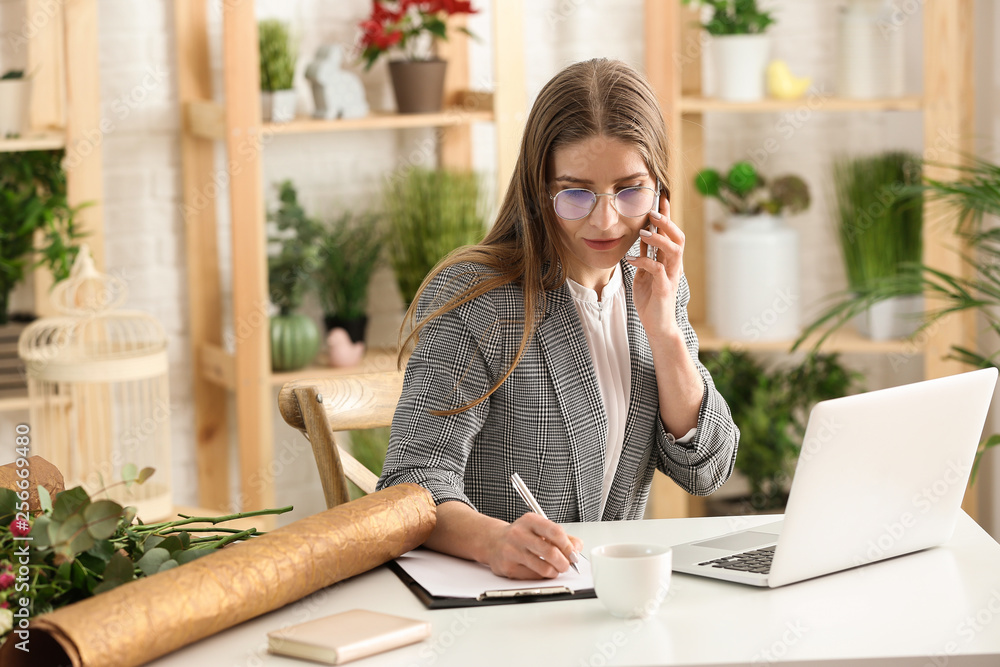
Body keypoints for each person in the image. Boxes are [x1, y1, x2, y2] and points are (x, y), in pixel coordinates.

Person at [376, 58, 739, 580]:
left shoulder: (654, 284)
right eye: (575, 193)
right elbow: (410, 484)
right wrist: (495, 541)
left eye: (630, 189)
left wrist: (663, 331)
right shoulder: (479, 299)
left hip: (602, 599)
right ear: (539, 190)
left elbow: (706, 469)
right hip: (494, 601)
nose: (606, 219)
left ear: (660, 192)